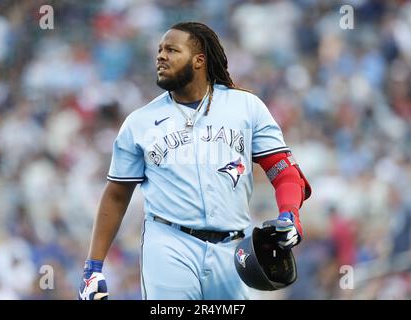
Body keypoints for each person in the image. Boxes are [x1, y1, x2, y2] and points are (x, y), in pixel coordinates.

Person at [79, 21, 311, 300]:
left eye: (172, 50)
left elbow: (284, 172)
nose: (161, 56)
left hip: (232, 247)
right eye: (160, 50)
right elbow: (116, 195)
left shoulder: (246, 107)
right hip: (168, 244)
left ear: (199, 60)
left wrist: (290, 215)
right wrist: (93, 267)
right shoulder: (139, 122)